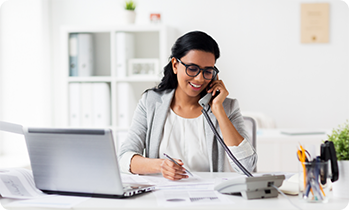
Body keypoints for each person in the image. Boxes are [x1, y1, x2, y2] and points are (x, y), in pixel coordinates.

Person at [118, 31, 257, 181]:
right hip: (162, 198)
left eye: (207, 71)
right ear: (175, 65)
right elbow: (124, 158)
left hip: (210, 198)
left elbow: (247, 166)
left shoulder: (227, 107)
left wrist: (218, 110)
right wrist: (160, 166)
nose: (199, 78)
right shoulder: (151, 103)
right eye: (192, 68)